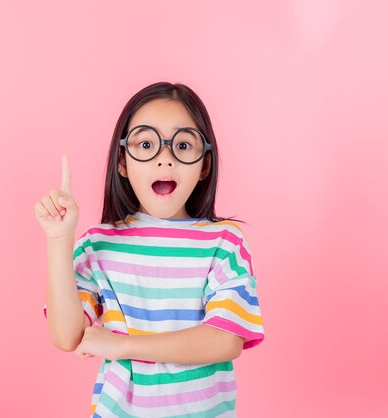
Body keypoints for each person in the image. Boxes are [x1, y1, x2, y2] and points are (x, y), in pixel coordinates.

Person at [35, 81, 265, 417]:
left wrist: (122, 345)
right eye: (146, 144)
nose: (165, 160)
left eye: (183, 145)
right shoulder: (98, 245)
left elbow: (225, 340)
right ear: (123, 162)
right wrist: (59, 240)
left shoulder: (225, 243)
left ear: (204, 165)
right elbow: (67, 335)